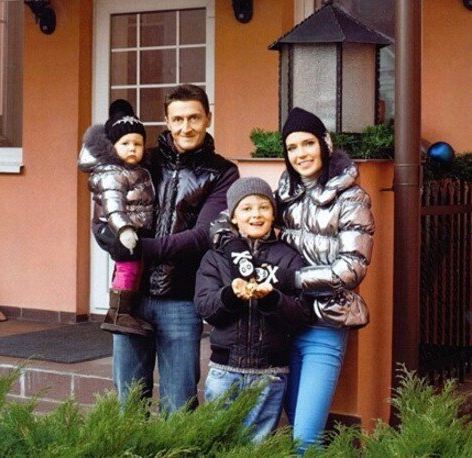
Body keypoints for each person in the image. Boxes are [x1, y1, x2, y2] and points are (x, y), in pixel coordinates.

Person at [211, 107, 375, 453]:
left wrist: (290, 277)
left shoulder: (351, 198)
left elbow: (352, 268)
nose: (301, 154)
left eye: (308, 143)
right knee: (286, 422)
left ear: (325, 144)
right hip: (281, 323)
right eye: (292, 147)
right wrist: (235, 248)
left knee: (306, 437)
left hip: (323, 323)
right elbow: (230, 217)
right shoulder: (284, 193)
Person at [92, 84, 239, 413]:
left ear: (208, 118)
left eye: (194, 118)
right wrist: (110, 239)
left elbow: (202, 236)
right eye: (178, 119)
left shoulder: (223, 172)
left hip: (181, 300)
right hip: (130, 298)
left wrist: (140, 249)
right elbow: (105, 209)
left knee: (179, 404)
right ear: (167, 121)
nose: (186, 127)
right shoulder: (142, 159)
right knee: (129, 403)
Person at [194, 177, 315, 443]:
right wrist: (231, 294)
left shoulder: (289, 258)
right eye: (246, 208)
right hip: (224, 370)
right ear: (233, 217)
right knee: (218, 441)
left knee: (257, 445)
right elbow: (205, 307)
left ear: (273, 214)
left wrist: (272, 299)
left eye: (263, 207)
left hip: (270, 373)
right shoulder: (215, 257)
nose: (256, 214)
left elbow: (300, 316)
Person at [78, 99, 154, 336]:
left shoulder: (136, 170)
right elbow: (113, 206)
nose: (132, 148)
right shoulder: (112, 173)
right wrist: (124, 229)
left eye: (137, 144)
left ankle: (122, 311)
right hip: (112, 226)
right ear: (112, 147)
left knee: (129, 264)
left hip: (126, 226)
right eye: (125, 143)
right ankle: (119, 313)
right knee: (129, 260)